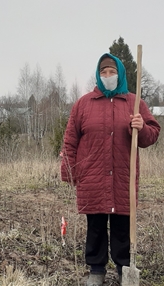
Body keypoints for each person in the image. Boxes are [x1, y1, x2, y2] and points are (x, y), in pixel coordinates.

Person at [61, 53, 160, 286]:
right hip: (92, 176)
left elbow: (152, 135)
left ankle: (124, 268)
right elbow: (70, 139)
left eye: (112, 72)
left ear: (120, 74)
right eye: (103, 72)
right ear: (98, 75)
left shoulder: (134, 103)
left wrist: (141, 126)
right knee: (95, 226)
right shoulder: (83, 104)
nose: (108, 76)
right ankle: (96, 270)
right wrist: (69, 171)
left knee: (122, 226)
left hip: (122, 176)